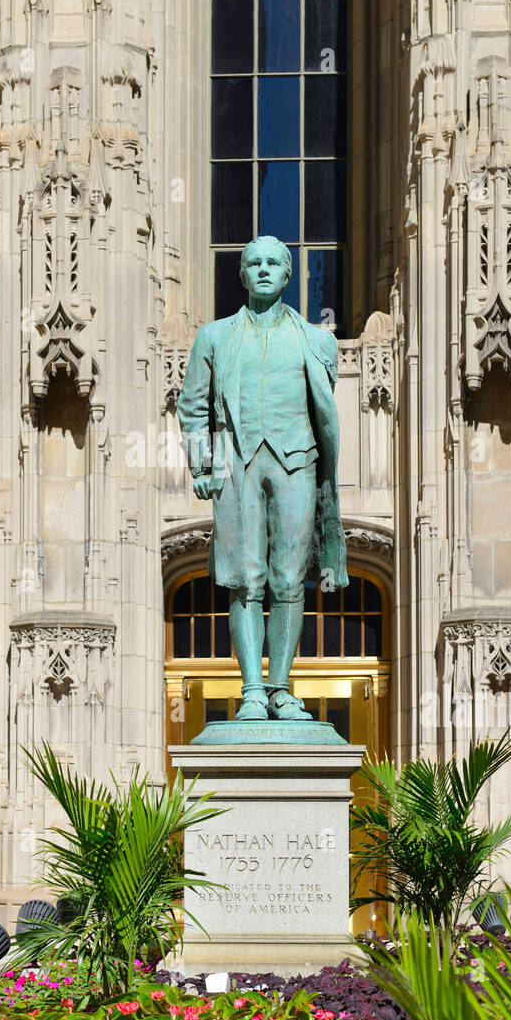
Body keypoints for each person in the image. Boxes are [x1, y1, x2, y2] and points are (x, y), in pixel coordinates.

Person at [177, 236, 347, 722]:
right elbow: (192, 408)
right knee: (243, 580)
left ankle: (279, 688)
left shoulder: (317, 341)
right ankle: (251, 689)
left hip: (297, 464)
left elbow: (322, 415)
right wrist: (203, 464)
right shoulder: (214, 337)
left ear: (288, 274)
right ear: (243, 274)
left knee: (289, 579)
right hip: (237, 465)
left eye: (275, 262)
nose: (265, 270)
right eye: (255, 263)